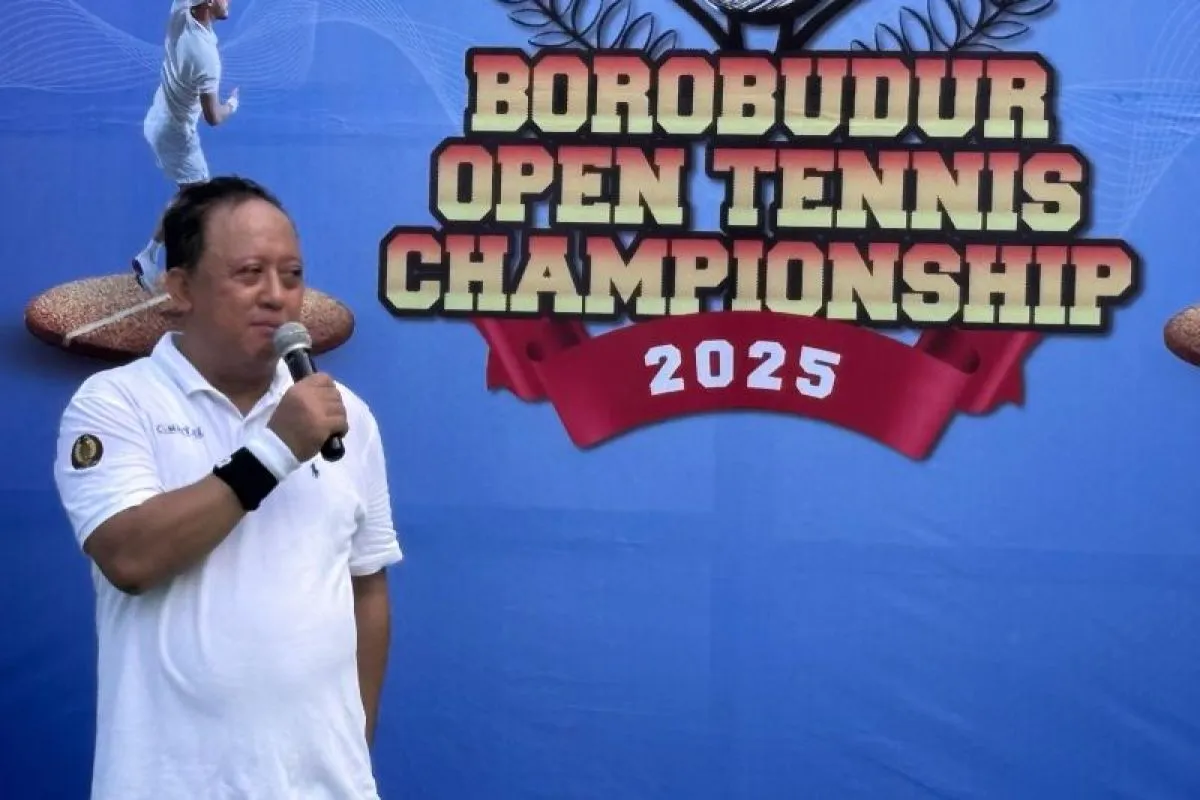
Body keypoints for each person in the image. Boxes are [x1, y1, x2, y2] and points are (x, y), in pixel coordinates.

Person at [53, 176, 401, 799]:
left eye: (292, 275)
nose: (276, 296)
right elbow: (130, 557)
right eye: (249, 273)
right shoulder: (115, 403)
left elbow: (367, 588)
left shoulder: (346, 414)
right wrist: (275, 449)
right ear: (180, 288)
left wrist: (352, 751)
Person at [132, 0, 239, 293]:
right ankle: (164, 262)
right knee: (199, 199)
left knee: (191, 195)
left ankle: (159, 259)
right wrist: (232, 105)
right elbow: (213, 117)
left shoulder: (179, 13)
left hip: (156, 119)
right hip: (175, 134)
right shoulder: (207, 57)